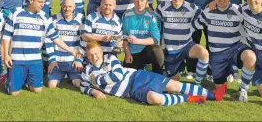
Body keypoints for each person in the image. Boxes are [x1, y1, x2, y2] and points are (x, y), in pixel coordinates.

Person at [79, 41, 227, 105]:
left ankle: (214, 95)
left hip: (137, 76)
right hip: (132, 90)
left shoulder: (110, 58)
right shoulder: (87, 71)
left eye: (96, 53)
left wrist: (97, 80)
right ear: (87, 56)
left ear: (101, 51)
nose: (95, 57)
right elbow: (83, 86)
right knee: (154, 98)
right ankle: (187, 98)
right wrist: (93, 92)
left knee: (175, 85)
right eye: (91, 55)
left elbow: (117, 76)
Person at [2, 0, 80, 96]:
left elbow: (55, 38)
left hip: (35, 60)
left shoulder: (45, 17)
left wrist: (70, 50)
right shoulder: (16, 13)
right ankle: (8, 80)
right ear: (31, 0)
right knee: (14, 93)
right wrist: (6, 55)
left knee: (37, 90)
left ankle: (24, 80)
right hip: (17, 59)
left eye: (44, 2)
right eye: (40, 2)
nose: (42, 4)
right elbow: (6, 37)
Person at [192, 0, 257, 102]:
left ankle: (243, 89)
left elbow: (255, 18)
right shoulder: (208, 12)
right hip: (218, 54)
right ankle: (228, 74)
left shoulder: (238, 10)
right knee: (219, 91)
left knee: (250, 57)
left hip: (235, 49)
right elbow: (196, 25)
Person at [205, 0, 247, 83]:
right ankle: (212, 71)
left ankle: (233, 71)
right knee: (214, 43)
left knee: (235, 44)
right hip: (218, 13)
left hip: (236, 14)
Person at [155, 0, 209, 86]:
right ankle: (172, 72)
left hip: (187, 45)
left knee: (204, 53)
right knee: (175, 81)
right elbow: (153, 19)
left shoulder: (191, 7)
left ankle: (197, 85)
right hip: (171, 50)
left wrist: (211, 5)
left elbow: (204, 16)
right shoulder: (162, 7)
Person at [184, 0, 215, 81]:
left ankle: (210, 71)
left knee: (211, 44)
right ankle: (191, 70)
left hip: (208, 19)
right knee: (192, 44)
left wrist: (213, 2)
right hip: (192, 20)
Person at [122, 0, 163, 74]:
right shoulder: (127, 15)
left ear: (146, 1)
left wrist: (137, 41)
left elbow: (156, 39)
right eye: (137, 1)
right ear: (133, 1)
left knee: (156, 49)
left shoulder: (151, 16)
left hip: (147, 50)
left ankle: (157, 73)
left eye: (142, 1)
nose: (139, 3)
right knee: (128, 76)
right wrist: (128, 54)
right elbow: (124, 37)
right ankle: (142, 67)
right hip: (133, 51)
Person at [47, 0, 84, 88]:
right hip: (58, 60)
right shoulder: (54, 19)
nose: (67, 9)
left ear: (74, 7)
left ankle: (71, 77)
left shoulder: (81, 19)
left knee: (78, 83)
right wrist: (52, 60)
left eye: (70, 6)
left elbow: (84, 41)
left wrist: (78, 59)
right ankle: (61, 76)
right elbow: (48, 40)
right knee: (51, 85)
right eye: (65, 6)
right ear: (61, 6)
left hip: (73, 60)